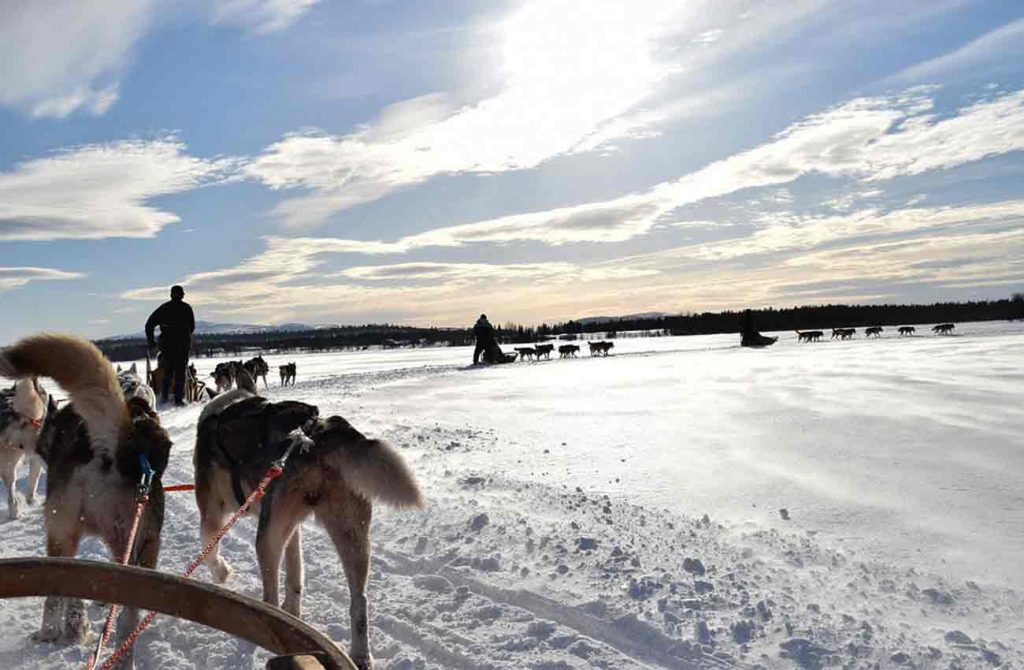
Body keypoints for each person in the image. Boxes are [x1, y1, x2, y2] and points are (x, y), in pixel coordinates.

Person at [145, 285, 196, 405]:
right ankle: (178, 399)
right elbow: (192, 327)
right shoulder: (186, 308)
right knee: (180, 373)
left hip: (167, 346)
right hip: (182, 346)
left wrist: (152, 342)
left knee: (167, 371)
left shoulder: (164, 308)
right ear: (182, 295)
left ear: (171, 295)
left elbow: (149, 325)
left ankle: (164, 397)